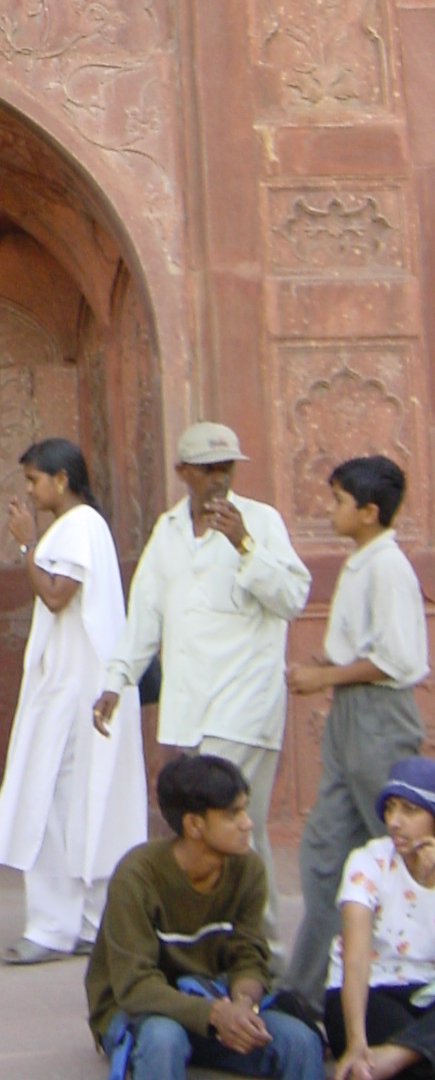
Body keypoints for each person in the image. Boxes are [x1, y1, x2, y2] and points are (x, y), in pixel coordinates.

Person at [94, 422, 310, 937]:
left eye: (226, 468)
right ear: (184, 472)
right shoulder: (168, 531)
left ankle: (259, 951)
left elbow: (292, 598)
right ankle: (229, 944)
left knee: (227, 827)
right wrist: (116, 680)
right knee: (222, 834)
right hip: (191, 706)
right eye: (208, 469)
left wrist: (245, 546)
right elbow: (144, 614)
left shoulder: (261, 522)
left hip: (245, 704)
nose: (219, 478)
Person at [0, 437, 148, 963]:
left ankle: (52, 927)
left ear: (62, 479)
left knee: (53, 800)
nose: (30, 491)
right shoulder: (85, 528)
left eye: (35, 480)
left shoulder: (78, 527)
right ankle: (86, 923)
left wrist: (24, 546)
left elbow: (57, 595)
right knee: (83, 799)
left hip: (75, 690)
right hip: (79, 684)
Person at [286, 457, 429, 1011]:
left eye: (339, 500)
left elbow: (393, 658)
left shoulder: (389, 566)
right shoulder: (362, 562)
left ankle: (406, 977)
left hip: (378, 716)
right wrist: (326, 668)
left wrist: (324, 674)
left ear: (369, 512)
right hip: (350, 716)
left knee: (403, 844)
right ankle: (307, 994)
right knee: (325, 852)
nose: (330, 510)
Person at [86, 751, 324, 1080]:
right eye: (233, 814)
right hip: (139, 1012)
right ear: (195, 824)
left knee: (301, 1042)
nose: (247, 822)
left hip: (214, 998)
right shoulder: (137, 876)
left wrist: (242, 1005)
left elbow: (249, 955)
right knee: (163, 1040)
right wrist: (215, 1013)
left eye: (244, 809)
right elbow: (135, 986)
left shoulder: (249, 868)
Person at [323, 758, 435, 1080]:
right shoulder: (369, 861)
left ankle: (399, 1053)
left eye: (410, 811)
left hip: (427, 991)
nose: (395, 822)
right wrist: (357, 1043)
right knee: (422, 1073)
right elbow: (355, 960)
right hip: (370, 991)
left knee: (411, 1065)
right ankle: (411, 1052)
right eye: (391, 809)